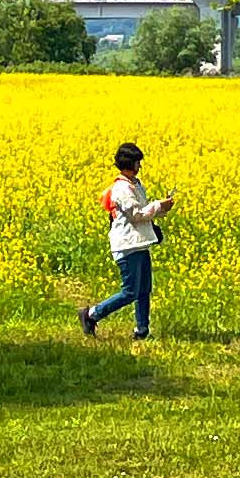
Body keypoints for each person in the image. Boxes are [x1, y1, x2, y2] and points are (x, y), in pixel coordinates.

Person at [78, 141, 173, 340]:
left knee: (144, 290)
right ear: (129, 163)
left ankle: (142, 330)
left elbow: (144, 213)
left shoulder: (136, 185)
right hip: (127, 245)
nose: (140, 166)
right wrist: (158, 205)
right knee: (130, 292)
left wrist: (162, 209)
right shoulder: (121, 188)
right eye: (138, 162)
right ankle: (91, 314)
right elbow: (136, 214)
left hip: (140, 243)